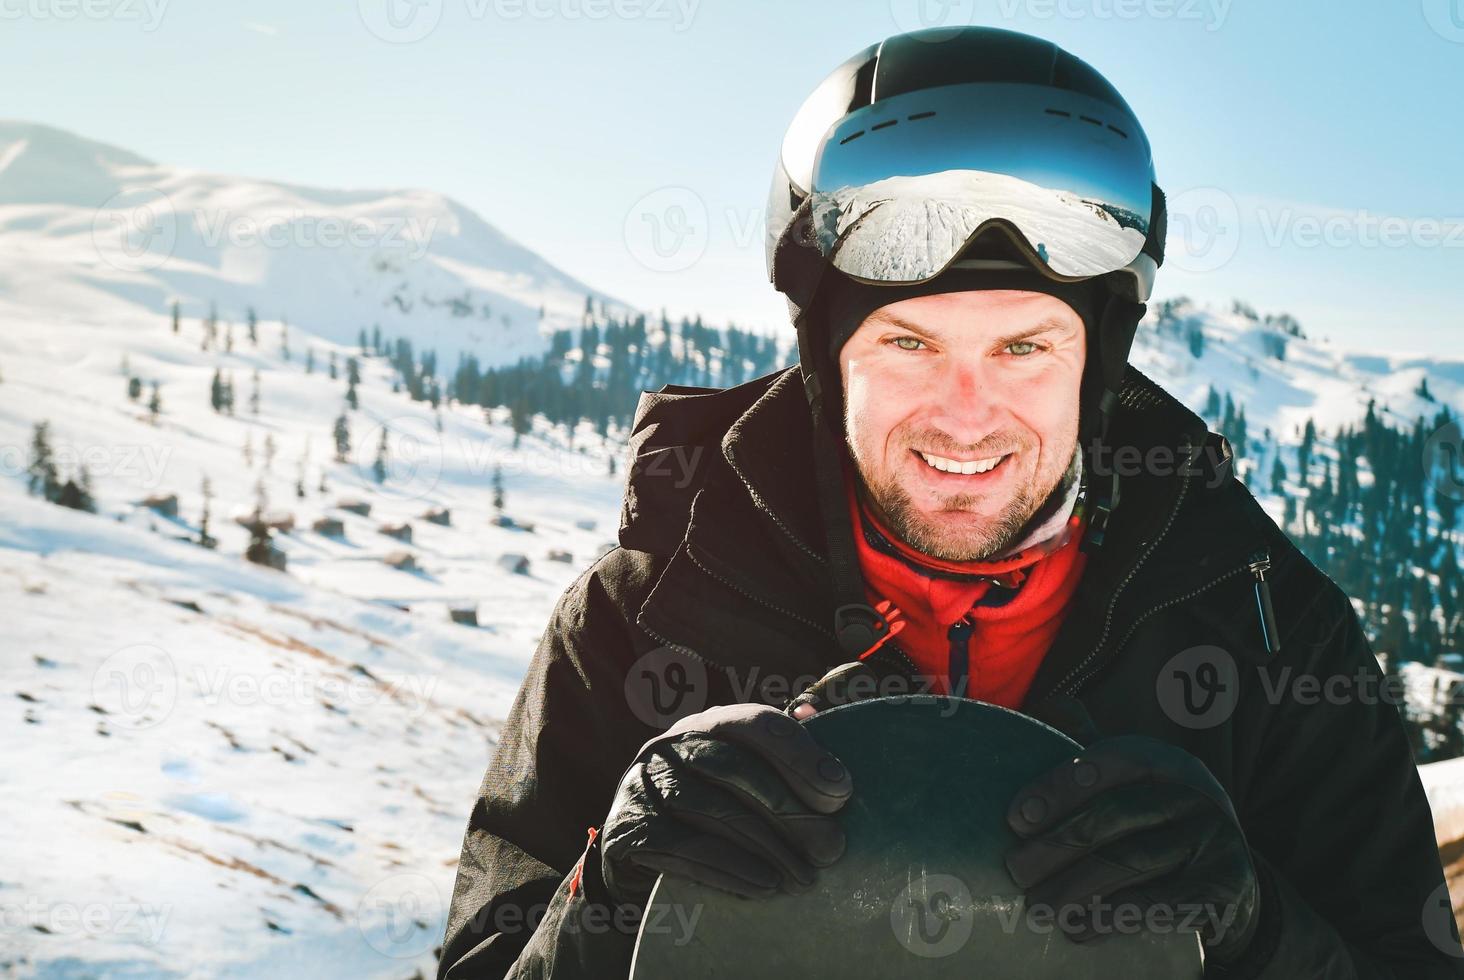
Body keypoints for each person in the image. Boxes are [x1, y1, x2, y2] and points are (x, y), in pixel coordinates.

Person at [438, 27, 1462, 978]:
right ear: (830, 362)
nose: (966, 416)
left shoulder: (1269, 628)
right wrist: (605, 890)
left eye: (1025, 348)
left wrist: (1252, 924)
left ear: (1097, 370)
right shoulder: (642, 616)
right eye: (909, 343)